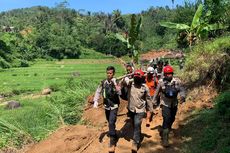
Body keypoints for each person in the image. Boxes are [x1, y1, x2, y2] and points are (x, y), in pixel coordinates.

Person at [153, 65, 186, 147]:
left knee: (172, 118)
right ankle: (165, 138)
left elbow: (182, 90)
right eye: (167, 74)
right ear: (164, 74)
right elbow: (156, 92)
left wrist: (182, 96)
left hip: (174, 103)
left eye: (170, 73)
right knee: (166, 118)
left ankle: (168, 128)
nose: (169, 75)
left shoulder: (177, 81)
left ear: (172, 73)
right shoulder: (161, 82)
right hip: (165, 103)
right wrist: (153, 102)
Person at [123, 69, 154, 151]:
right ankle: (138, 134)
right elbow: (123, 83)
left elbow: (148, 99)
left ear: (142, 78)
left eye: (138, 77)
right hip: (131, 109)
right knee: (134, 124)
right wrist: (125, 78)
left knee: (137, 124)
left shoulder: (145, 87)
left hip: (140, 110)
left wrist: (150, 109)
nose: (137, 79)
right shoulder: (130, 84)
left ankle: (135, 143)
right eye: (135, 77)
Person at [93, 66, 121, 152]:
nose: (109, 75)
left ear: (113, 74)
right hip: (106, 106)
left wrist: (115, 84)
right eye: (108, 73)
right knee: (110, 122)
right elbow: (98, 91)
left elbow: (119, 92)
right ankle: (114, 134)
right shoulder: (103, 82)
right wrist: (96, 101)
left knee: (111, 122)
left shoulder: (116, 81)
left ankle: (112, 143)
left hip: (114, 105)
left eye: (111, 73)